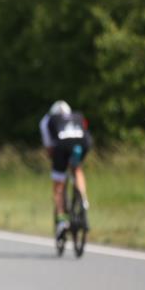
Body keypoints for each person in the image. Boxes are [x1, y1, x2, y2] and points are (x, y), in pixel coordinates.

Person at [39, 100, 93, 237]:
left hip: (62, 147)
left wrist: (55, 162)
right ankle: (84, 200)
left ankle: (62, 221)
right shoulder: (77, 116)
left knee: (59, 185)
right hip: (83, 144)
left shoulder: (47, 120)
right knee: (77, 169)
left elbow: (49, 147)